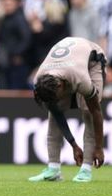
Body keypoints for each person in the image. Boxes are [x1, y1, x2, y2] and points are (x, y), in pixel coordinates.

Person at [28, 37, 106, 183]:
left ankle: (86, 169)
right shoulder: (40, 82)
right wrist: (74, 145)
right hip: (68, 63)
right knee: (52, 115)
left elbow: (97, 111)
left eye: (57, 97)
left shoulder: (80, 78)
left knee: (88, 112)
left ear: (61, 86)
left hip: (92, 61)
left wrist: (99, 148)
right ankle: (53, 169)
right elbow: (57, 112)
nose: (56, 100)